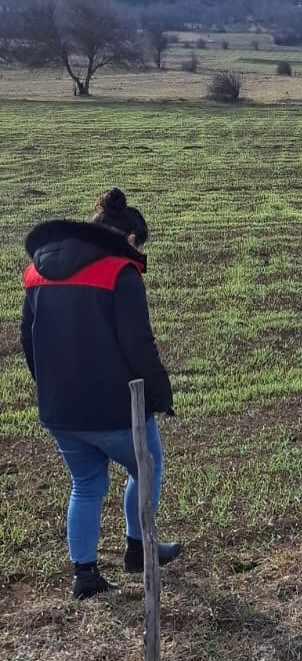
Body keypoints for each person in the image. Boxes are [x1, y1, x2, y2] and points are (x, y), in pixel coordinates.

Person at [20, 187, 182, 599]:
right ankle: (137, 550)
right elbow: (138, 344)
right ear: (129, 239)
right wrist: (161, 395)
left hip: (61, 412)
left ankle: (85, 576)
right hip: (114, 410)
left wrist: (51, 389)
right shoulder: (119, 272)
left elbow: (28, 339)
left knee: (87, 486)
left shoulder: (38, 272)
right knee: (146, 467)